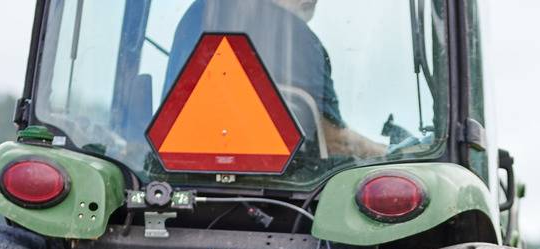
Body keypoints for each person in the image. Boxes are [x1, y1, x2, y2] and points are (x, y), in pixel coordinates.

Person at [166, 0, 388, 160]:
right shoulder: (299, 38)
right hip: (281, 186)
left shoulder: (196, 15)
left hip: (179, 175)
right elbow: (332, 139)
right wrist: (387, 153)